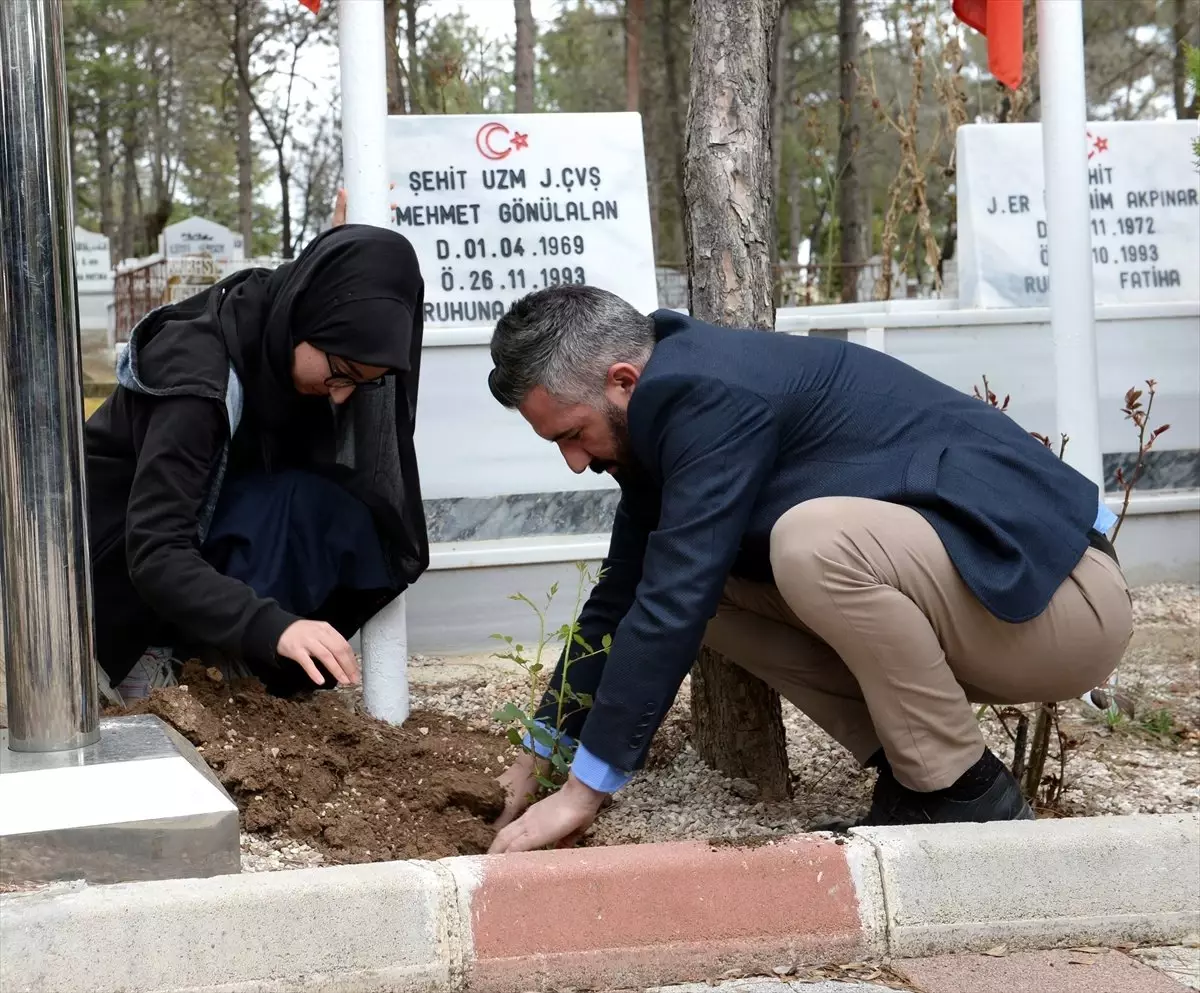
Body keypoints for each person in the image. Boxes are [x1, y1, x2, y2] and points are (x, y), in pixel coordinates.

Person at [483, 285, 1133, 853]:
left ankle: (962, 790)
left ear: (623, 380)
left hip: (1064, 602)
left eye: (572, 433)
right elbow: (624, 597)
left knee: (808, 545)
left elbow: (673, 599)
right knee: (718, 596)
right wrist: (539, 752)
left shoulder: (708, 393)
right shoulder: (658, 425)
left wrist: (581, 794)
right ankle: (918, 779)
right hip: (988, 606)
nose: (574, 461)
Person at [85, 223, 429, 700]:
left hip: (194, 528)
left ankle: (213, 652)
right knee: (286, 502)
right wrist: (273, 627)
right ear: (305, 318)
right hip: (104, 568)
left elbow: (323, 289)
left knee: (331, 509)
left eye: (364, 383)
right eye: (340, 373)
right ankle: (144, 659)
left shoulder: (278, 317)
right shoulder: (196, 382)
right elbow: (156, 551)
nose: (342, 395)